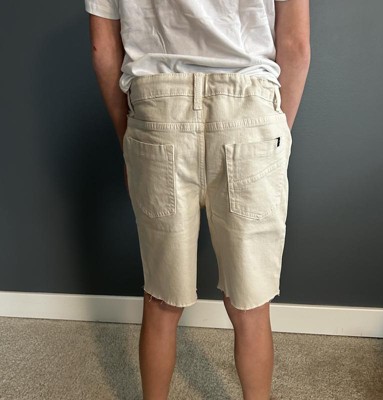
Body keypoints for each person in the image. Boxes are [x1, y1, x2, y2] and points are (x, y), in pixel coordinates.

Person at [84, 1, 310, 399]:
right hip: (249, 108)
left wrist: (127, 140)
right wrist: (278, 135)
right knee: (250, 303)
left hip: (158, 110)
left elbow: (103, 49)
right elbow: (295, 44)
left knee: (161, 298)